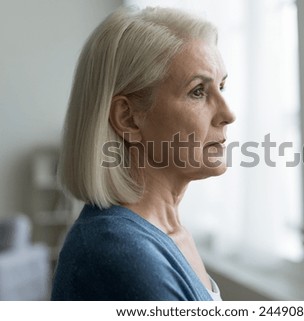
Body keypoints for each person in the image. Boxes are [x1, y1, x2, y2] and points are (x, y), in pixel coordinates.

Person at [51, 6, 235, 301]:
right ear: (128, 118)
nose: (228, 113)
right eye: (198, 91)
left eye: (222, 87)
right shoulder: (120, 251)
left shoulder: (167, 233)